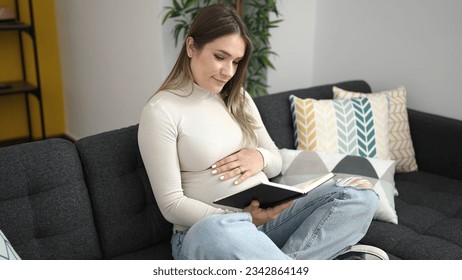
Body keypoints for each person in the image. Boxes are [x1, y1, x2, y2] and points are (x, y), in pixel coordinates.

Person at [138, 4, 387, 260]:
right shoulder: (161, 110)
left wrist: (260, 157)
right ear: (191, 47)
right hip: (209, 233)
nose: (229, 72)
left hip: (268, 222)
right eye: (220, 57)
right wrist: (241, 219)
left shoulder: (238, 98)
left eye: (236, 62)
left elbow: (275, 161)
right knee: (212, 231)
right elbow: (171, 205)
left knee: (360, 195)